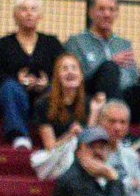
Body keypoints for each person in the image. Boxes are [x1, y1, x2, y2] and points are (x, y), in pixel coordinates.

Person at [0, 0, 60, 148]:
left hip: (43, 95)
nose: (28, 13)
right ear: (15, 15)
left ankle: (55, 134)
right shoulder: (4, 44)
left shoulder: (51, 43)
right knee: (9, 87)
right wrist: (18, 80)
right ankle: (19, 135)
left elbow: (62, 68)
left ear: (40, 15)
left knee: (55, 89)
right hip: (12, 98)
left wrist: (47, 81)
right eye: (23, 9)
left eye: (33, 9)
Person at [28, 50, 94, 181]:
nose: (70, 72)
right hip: (58, 159)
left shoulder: (88, 103)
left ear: (81, 76)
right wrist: (70, 135)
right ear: (57, 76)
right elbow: (50, 146)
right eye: (64, 69)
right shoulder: (44, 104)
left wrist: (95, 112)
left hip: (81, 156)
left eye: (74, 68)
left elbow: (90, 139)